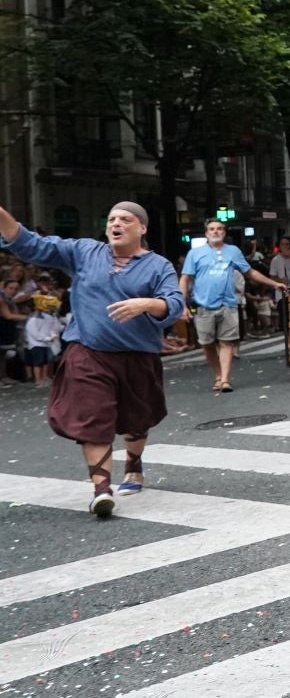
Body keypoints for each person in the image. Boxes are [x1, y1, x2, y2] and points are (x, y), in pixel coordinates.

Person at [0, 200, 183, 514]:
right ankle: (101, 489)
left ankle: (134, 463)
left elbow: (175, 304)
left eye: (125, 219)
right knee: (93, 417)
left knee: (136, 420)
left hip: (137, 356)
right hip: (88, 352)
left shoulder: (158, 265)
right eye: (112, 218)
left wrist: (146, 304)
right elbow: (31, 245)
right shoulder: (84, 252)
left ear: (142, 228)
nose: (116, 224)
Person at [181, 217, 287, 392]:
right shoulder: (195, 254)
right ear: (207, 233)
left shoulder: (233, 251)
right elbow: (185, 278)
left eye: (220, 229)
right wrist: (181, 304)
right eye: (212, 229)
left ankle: (224, 379)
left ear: (224, 232)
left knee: (226, 342)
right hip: (203, 304)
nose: (216, 232)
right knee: (207, 343)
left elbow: (250, 272)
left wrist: (274, 284)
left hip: (228, 303)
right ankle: (217, 374)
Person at [23, 294, 66, 387]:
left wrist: (52, 336)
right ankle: (38, 380)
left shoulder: (49, 317)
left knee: (45, 362)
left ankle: (44, 378)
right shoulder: (33, 320)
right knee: (38, 363)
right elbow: (35, 334)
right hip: (36, 344)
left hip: (46, 343)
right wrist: (48, 338)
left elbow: (52, 328)